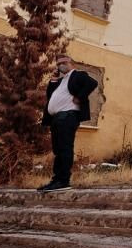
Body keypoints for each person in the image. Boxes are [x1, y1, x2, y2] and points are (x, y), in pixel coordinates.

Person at [39, 54, 98, 192]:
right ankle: (56, 180)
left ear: (71, 63)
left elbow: (92, 83)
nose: (61, 65)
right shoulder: (61, 81)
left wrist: (79, 97)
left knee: (64, 148)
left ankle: (63, 181)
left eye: (63, 62)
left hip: (68, 116)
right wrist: (53, 80)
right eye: (58, 64)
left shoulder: (77, 75)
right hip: (56, 118)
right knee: (58, 150)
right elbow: (50, 96)